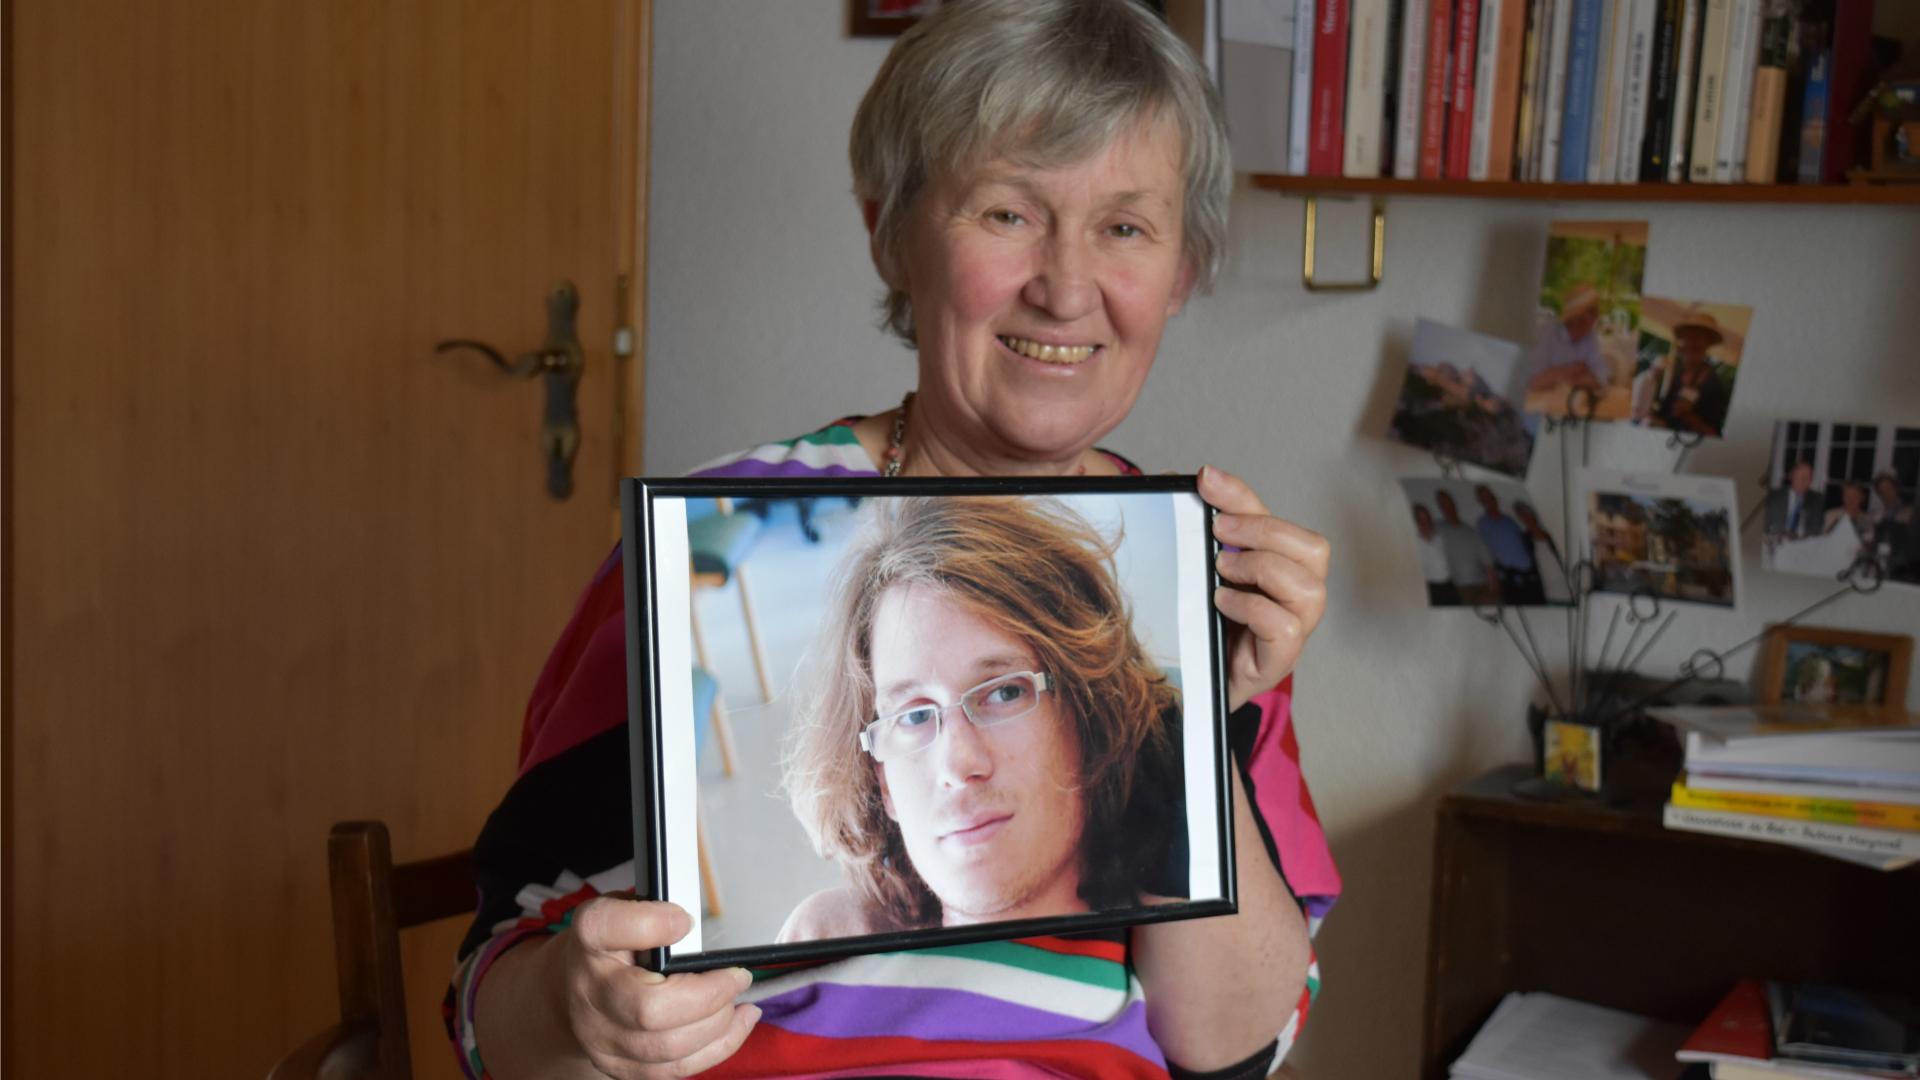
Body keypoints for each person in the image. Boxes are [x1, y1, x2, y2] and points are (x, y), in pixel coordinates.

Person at [450, 4, 1339, 1080]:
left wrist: (1206, 719)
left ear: (1182, 270)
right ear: (890, 232)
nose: (1064, 287)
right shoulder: (713, 547)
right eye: (1008, 214)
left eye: (1125, 227)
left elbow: (1237, 1048)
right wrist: (574, 1006)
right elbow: (494, 1007)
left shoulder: (1212, 585)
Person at [777, 496, 1185, 941]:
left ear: (1089, 718)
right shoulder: (829, 942)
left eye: (1005, 693)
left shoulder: (1182, 954)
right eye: (914, 716)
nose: (958, 764)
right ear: (883, 782)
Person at [1653, 314, 1731, 437]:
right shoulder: (1678, 374)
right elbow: (1663, 414)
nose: (1690, 343)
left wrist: (1689, 417)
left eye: (1697, 337)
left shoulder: (1714, 384)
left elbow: (1714, 435)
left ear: (1708, 343)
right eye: (1687, 337)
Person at [1527, 282, 1608, 396]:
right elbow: (1534, 383)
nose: (1598, 316)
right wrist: (1573, 369)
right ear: (1578, 316)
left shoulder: (1589, 338)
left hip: (1568, 405)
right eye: (1593, 311)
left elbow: (1602, 374)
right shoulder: (1547, 334)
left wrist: (1561, 379)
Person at [1474, 484, 1542, 606]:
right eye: (1484, 498)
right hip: (1510, 580)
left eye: (1490, 496)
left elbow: (1523, 541)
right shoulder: (1482, 524)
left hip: (1530, 576)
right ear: (1481, 501)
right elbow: (1484, 553)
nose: (1489, 500)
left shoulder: (1509, 520)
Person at [1434, 489, 1499, 607]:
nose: (1448, 507)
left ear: (1454, 504)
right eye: (1443, 504)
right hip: (1460, 589)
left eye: (1449, 502)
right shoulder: (1437, 528)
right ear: (1440, 507)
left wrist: (1492, 589)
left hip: (1482, 584)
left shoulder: (1471, 531)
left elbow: (1488, 562)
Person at [1512, 501, 1571, 605]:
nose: (1526, 520)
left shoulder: (1555, 536)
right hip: (1549, 596)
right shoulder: (1526, 541)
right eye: (1522, 518)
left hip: (1569, 594)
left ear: (1534, 516)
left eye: (1527, 516)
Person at [1764, 459, 1825, 544]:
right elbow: (1765, 525)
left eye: (1808, 477)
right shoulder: (1773, 497)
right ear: (1791, 475)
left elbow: (1816, 529)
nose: (1804, 480)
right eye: (1801, 476)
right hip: (1777, 542)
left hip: (1801, 545)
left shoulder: (1815, 500)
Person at [1413, 504, 1459, 606]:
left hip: (1449, 585)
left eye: (1427, 517)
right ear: (1416, 521)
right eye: (1421, 519)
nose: (1426, 522)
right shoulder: (1413, 542)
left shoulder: (1440, 537)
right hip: (1431, 588)